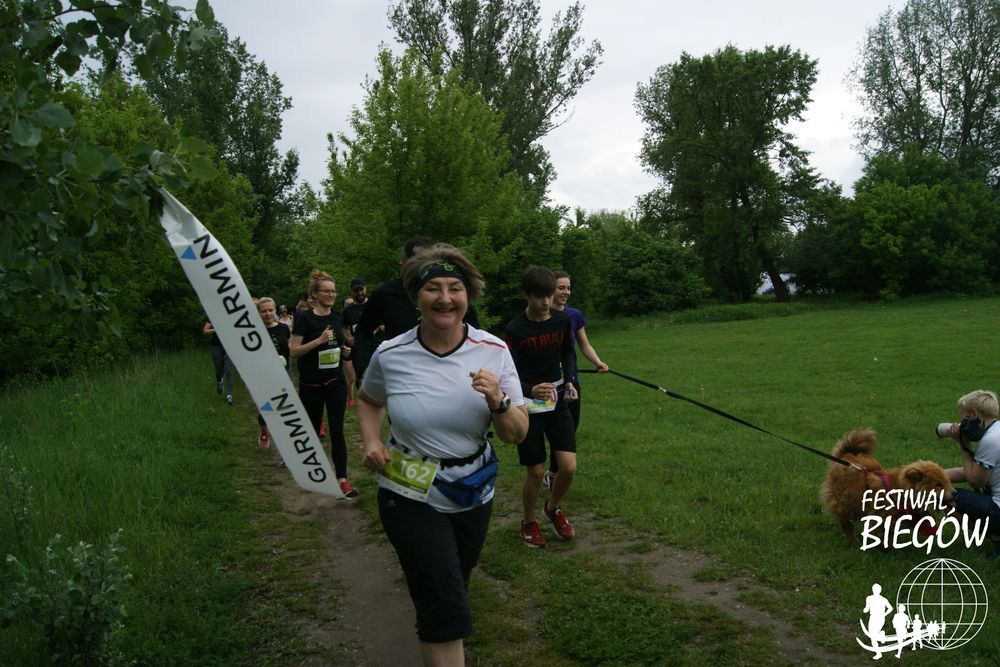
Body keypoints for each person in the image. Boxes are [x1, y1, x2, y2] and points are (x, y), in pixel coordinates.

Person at [358, 244, 528, 667]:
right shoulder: (391, 353)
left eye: (456, 288)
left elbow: (516, 434)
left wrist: (499, 401)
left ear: (469, 296)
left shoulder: (494, 350)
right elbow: (369, 399)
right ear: (416, 296)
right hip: (408, 491)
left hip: (473, 489)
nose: (445, 298)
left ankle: (436, 613)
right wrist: (372, 441)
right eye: (433, 288)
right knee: (444, 601)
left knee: (453, 582)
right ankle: (439, 621)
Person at [504, 266, 578, 547]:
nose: (546, 302)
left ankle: (552, 508)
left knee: (568, 468)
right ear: (527, 295)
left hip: (557, 401)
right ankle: (528, 522)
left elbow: (567, 353)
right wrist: (529, 390)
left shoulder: (562, 321)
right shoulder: (515, 330)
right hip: (527, 406)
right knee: (535, 472)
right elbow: (506, 372)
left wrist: (569, 381)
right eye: (539, 297)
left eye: (549, 295)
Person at [353, 237, 479, 382]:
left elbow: (472, 331)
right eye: (416, 265)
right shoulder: (385, 295)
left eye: (427, 264)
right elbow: (363, 331)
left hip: (450, 372)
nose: (421, 271)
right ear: (403, 266)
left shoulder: (451, 297)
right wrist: (364, 368)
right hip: (402, 374)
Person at [290, 271, 358, 498]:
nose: (331, 295)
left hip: (335, 383)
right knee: (312, 432)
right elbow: (294, 351)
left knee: (337, 431)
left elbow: (336, 344)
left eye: (334, 291)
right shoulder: (305, 318)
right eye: (326, 291)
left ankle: (342, 480)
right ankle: (312, 475)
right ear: (315, 294)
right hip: (312, 385)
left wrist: (343, 350)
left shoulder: (338, 317)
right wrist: (318, 341)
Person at [544, 270, 609, 488]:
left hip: (572, 381)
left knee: (570, 428)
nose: (566, 292)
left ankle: (554, 471)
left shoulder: (575, 315)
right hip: (547, 383)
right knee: (554, 429)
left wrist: (597, 362)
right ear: (550, 289)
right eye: (561, 288)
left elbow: (584, 344)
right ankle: (551, 472)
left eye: (568, 288)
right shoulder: (542, 314)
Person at [942, 389, 1000, 559]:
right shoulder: (996, 432)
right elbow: (976, 472)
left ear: (974, 414)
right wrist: (935, 476)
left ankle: (996, 536)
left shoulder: (990, 440)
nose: (960, 423)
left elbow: (976, 481)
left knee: (940, 496)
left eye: (962, 417)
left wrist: (964, 445)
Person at [256, 297, 291, 449]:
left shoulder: (283, 328)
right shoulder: (255, 330)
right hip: (263, 374)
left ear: (275, 310)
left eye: (270, 310)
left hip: (284, 372)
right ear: (259, 312)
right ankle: (264, 429)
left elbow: (288, 347)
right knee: (266, 406)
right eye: (264, 311)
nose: (268, 313)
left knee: (283, 406)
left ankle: (284, 442)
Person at [341, 277, 368, 408]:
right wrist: (348, 337)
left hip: (377, 347)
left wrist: (378, 328)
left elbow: (387, 323)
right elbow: (345, 328)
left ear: (365, 288)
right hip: (358, 350)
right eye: (356, 291)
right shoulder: (348, 310)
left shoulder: (374, 304)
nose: (359, 293)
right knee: (362, 378)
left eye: (361, 290)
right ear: (352, 291)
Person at [203, 319, 234, 406]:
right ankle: (219, 380)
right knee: (219, 370)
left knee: (229, 371)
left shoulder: (231, 316)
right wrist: (217, 329)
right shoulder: (212, 316)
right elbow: (205, 331)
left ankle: (229, 395)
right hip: (216, 346)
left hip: (230, 346)